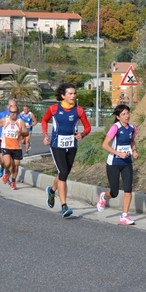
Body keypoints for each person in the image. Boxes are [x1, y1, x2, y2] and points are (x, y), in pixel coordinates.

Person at [42, 84, 91, 218]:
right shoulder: (53, 109)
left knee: (64, 173)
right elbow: (44, 120)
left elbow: (87, 127)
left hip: (72, 145)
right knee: (63, 173)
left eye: (74, 93)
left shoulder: (79, 111)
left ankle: (51, 191)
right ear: (63, 96)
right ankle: (64, 206)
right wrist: (45, 135)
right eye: (70, 93)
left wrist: (82, 134)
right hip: (57, 144)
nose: (73, 96)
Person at [96, 104, 138, 225]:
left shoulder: (132, 128)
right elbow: (104, 145)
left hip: (127, 163)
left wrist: (134, 151)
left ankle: (124, 216)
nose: (127, 116)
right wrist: (118, 153)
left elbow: (132, 141)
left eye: (128, 113)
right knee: (114, 192)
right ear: (118, 117)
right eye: (123, 114)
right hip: (113, 163)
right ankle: (104, 197)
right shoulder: (115, 128)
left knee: (128, 189)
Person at [0, 104, 28, 190]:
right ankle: (7, 172)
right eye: (11, 112)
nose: (13, 114)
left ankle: (13, 182)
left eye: (15, 112)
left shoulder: (20, 122)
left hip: (17, 147)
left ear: (17, 113)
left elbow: (26, 133)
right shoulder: (4, 120)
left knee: (16, 166)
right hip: (6, 146)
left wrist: (21, 133)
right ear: (9, 112)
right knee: (7, 163)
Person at [0, 98, 18, 179]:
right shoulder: (2, 114)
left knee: (11, 161)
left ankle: (8, 175)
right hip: (2, 140)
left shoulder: (18, 116)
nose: (12, 108)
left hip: (13, 142)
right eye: (11, 106)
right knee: (2, 161)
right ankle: (2, 167)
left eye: (14, 106)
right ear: (8, 106)